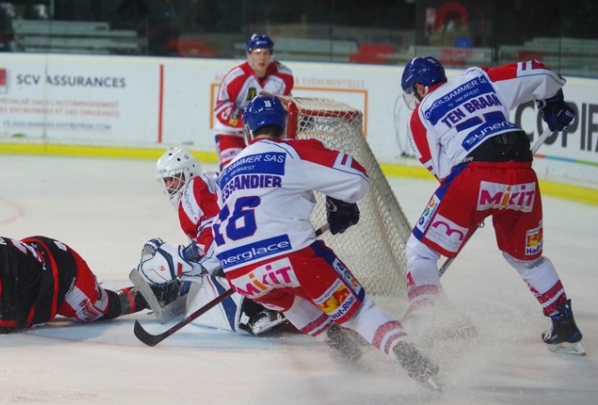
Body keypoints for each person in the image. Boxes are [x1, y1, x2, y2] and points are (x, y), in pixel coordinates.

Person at [213, 95, 441, 386]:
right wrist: (338, 200)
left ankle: (336, 343)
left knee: (289, 303)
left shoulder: (226, 173)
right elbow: (357, 179)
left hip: (240, 273)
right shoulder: (290, 152)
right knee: (360, 313)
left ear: (247, 131)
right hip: (292, 257)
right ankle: (406, 353)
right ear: (283, 127)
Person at [399, 56, 584, 354]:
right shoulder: (478, 77)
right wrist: (555, 103)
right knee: (527, 260)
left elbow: (444, 173)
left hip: (474, 177)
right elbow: (538, 71)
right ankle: (563, 323)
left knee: (421, 251)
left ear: (419, 87)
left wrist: (477, 205)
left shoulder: (420, 114)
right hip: (523, 173)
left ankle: (423, 324)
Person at [134, 147, 289, 335]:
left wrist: (189, 259)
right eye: (166, 181)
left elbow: (214, 231)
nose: (169, 186)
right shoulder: (206, 182)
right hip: (263, 236)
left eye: (173, 179)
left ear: (189, 171)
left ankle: (255, 311)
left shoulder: (193, 189)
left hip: (244, 244)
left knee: (195, 276)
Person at [0, 216, 150, 334]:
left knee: (103, 307)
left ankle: (157, 291)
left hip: (63, 274)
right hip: (42, 271)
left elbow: (7, 320)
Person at [213, 33, 293, 169]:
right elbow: (221, 107)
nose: (262, 57)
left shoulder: (284, 76)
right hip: (232, 134)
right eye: (257, 53)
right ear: (249, 55)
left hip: (265, 135)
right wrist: (248, 121)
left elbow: (286, 104)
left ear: (271, 55)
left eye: (266, 53)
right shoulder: (236, 78)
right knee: (232, 171)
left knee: (268, 173)